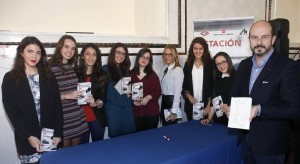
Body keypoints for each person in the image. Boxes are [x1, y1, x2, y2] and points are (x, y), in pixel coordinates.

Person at [231, 20, 300, 164]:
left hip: (271, 145)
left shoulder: (288, 67)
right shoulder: (243, 66)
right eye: (254, 37)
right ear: (249, 40)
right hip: (245, 140)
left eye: (265, 37)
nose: (259, 42)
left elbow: (294, 109)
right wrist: (231, 108)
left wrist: (259, 109)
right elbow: (236, 94)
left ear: (273, 39)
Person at [2, 36, 63, 163]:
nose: (34, 56)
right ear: (21, 53)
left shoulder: (48, 75)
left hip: (50, 138)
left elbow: (57, 106)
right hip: (27, 138)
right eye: (30, 51)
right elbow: (13, 113)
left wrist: (58, 132)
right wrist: (28, 136)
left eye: (38, 52)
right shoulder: (10, 78)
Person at [48, 35, 89, 147]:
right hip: (62, 117)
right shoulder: (49, 68)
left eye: (73, 48)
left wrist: (84, 94)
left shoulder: (72, 67)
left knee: (75, 152)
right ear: (60, 47)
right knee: (65, 153)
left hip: (76, 115)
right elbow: (47, 97)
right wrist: (67, 95)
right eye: (66, 47)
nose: (69, 51)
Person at [77, 43, 108, 143]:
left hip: (97, 119)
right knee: (82, 150)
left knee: (98, 149)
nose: (91, 57)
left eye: (94, 54)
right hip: (80, 120)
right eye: (88, 54)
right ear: (82, 56)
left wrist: (96, 103)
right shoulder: (75, 72)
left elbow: (103, 98)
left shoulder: (102, 75)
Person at [103, 42, 135, 137]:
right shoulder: (105, 69)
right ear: (113, 53)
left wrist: (133, 97)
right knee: (116, 144)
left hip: (127, 110)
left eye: (123, 54)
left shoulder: (125, 71)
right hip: (114, 111)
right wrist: (126, 96)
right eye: (118, 52)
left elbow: (128, 91)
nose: (120, 56)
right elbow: (109, 93)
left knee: (129, 140)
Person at [182, 37, 214, 121]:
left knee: (204, 132)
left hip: (206, 108)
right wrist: (189, 96)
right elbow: (184, 86)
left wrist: (208, 106)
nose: (198, 51)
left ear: (205, 49)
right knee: (192, 131)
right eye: (195, 48)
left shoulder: (210, 64)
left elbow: (213, 86)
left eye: (201, 49)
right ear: (192, 49)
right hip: (191, 106)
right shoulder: (187, 65)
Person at [131, 48, 161, 131]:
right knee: (137, 140)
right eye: (142, 57)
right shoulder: (129, 74)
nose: (144, 60)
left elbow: (158, 92)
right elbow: (122, 92)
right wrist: (132, 101)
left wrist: (148, 97)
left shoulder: (153, 75)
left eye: (147, 58)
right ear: (138, 58)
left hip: (151, 113)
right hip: (136, 113)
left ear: (149, 61)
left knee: (150, 140)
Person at [201, 51, 236, 125]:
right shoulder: (216, 80)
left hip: (233, 120)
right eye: (218, 64)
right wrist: (209, 118)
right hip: (219, 121)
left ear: (228, 61)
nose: (221, 65)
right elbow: (214, 101)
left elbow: (243, 99)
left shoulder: (238, 77)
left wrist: (230, 106)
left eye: (223, 62)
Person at [160, 45, 184, 126]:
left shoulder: (177, 70)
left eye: (170, 55)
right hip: (165, 102)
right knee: (165, 128)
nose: (167, 57)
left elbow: (178, 92)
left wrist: (174, 111)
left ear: (174, 55)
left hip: (172, 103)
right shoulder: (166, 69)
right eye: (165, 54)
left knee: (170, 131)